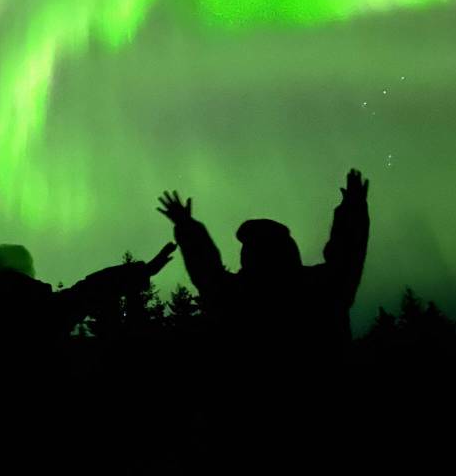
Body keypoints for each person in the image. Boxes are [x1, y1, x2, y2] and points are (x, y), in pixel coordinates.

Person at [156, 168, 370, 469]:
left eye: (250, 249)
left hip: (246, 434)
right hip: (322, 428)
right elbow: (348, 256)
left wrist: (186, 226)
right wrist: (353, 210)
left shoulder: (236, 295)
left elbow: (206, 269)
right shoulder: (321, 288)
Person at [0, 239, 175, 460]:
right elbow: (95, 288)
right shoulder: (52, 311)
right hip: (51, 441)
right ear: (28, 273)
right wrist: (143, 271)